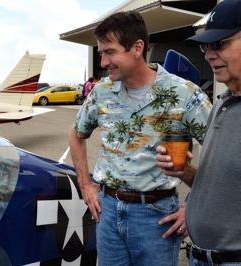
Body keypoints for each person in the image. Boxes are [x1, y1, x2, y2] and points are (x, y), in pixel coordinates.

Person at [68, 10, 212, 266]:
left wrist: (193, 206)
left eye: (110, 52)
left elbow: (219, 153)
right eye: (101, 53)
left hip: (156, 217)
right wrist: (85, 184)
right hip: (108, 212)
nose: (103, 62)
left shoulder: (184, 94)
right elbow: (76, 132)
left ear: (137, 47)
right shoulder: (101, 91)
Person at [156, 0, 241, 265]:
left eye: (219, 44)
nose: (208, 55)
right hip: (202, 258)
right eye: (206, 46)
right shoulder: (222, 105)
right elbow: (223, 186)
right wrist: (185, 173)